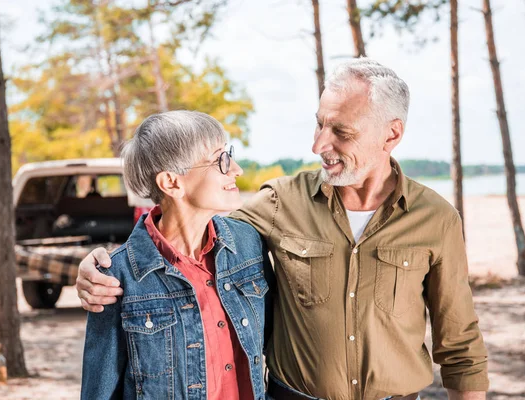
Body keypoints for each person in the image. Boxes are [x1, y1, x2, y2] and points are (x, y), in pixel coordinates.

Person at [77, 58, 489, 400]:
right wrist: (97, 267)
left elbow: (461, 347)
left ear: (391, 134)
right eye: (319, 124)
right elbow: (181, 232)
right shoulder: (277, 203)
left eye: (341, 132)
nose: (318, 145)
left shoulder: (436, 219)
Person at [80, 111, 274, 400]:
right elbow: (99, 392)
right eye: (220, 159)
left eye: (229, 154)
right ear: (172, 183)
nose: (236, 169)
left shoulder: (248, 243)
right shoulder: (115, 279)